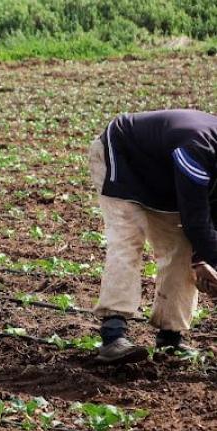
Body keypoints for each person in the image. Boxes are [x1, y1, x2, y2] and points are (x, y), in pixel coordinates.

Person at [88, 109, 217, 364]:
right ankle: (113, 334)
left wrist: (203, 260)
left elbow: (211, 215)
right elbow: (196, 220)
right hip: (123, 156)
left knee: (180, 248)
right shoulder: (198, 147)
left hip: (164, 176)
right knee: (127, 239)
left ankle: (170, 338)